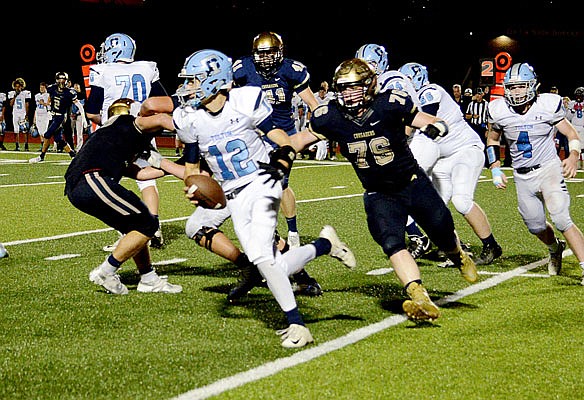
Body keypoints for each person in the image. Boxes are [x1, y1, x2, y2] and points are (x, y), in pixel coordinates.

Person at [144, 49, 356, 347]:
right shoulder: (189, 118)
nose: (188, 87)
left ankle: (297, 324)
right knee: (270, 264)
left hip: (262, 180)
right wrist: (194, 186)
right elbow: (193, 167)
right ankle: (323, 245)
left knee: (260, 257)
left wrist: (284, 154)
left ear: (214, 80)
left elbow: (277, 134)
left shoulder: (245, 101)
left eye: (194, 80)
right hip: (229, 189)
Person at [292, 58, 478, 321]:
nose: (348, 94)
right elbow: (300, 138)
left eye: (354, 87)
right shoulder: (330, 115)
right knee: (392, 243)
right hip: (378, 193)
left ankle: (458, 256)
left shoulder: (389, 103)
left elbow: (423, 118)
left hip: (412, 183)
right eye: (343, 88)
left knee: (442, 231)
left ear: (370, 86)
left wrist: (433, 125)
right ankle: (419, 296)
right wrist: (280, 151)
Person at [231, 31, 323, 294]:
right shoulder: (243, 69)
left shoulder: (292, 70)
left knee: (280, 184)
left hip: (281, 135)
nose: (266, 58)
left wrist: (321, 128)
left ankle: (291, 234)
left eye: (271, 52)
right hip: (252, 135)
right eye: (261, 53)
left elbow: (312, 103)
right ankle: (273, 242)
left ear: (280, 52)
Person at [65, 98, 183, 295]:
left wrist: (184, 164)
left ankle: (148, 278)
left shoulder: (116, 139)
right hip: (91, 179)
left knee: (135, 226)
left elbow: (142, 173)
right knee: (148, 223)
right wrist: (191, 125)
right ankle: (106, 271)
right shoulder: (128, 124)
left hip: (81, 187)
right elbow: (161, 118)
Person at [486, 62, 584, 284]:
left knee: (560, 216)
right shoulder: (499, 110)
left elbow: (571, 134)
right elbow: (492, 139)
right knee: (535, 226)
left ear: (532, 86)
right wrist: (494, 168)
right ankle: (554, 247)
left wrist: (573, 156)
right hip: (522, 175)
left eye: (520, 86)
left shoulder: (547, 105)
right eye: (511, 87)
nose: (516, 92)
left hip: (548, 169)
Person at [399, 62, 503, 265]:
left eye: (407, 82)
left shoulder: (431, 91)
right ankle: (456, 247)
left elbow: (422, 119)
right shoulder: (411, 101)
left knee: (462, 201)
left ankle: (491, 245)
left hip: (466, 150)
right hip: (443, 159)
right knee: (433, 206)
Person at [85, 32, 168, 249]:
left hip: (115, 133)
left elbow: (91, 111)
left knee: (109, 183)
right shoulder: (147, 67)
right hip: (144, 128)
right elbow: (162, 100)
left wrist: (106, 118)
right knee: (147, 180)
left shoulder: (103, 70)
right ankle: (154, 227)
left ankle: (129, 232)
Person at [355, 43, 432, 260]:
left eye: (368, 64)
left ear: (380, 64)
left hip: (418, 139)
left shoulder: (392, 80)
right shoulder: (376, 83)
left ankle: (424, 237)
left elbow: (406, 114)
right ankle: (424, 236)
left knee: (395, 190)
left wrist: (398, 141)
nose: (364, 69)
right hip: (405, 140)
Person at [28, 72, 81, 163]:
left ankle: (41, 156)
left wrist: (83, 119)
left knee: (47, 135)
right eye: (59, 79)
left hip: (60, 117)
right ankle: (73, 156)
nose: (61, 81)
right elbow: (49, 100)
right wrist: (49, 109)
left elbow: (78, 105)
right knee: (58, 139)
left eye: (63, 79)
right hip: (52, 115)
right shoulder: (52, 88)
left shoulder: (69, 92)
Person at [465, 87, 489, 165]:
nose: (478, 96)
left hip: (482, 127)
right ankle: (473, 161)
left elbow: (489, 118)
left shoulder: (486, 104)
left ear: (482, 95)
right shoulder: (471, 104)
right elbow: (466, 116)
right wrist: (472, 116)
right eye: (477, 94)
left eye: (480, 94)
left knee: (484, 145)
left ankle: (486, 162)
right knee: (473, 145)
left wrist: (488, 129)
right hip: (474, 127)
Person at [8, 77, 31, 151]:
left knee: (25, 129)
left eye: (19, 86)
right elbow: (11, 104)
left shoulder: (25, 93)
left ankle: (26, 145)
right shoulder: (12, 93)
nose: (17, 88)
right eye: (16, 86)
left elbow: (27, 105)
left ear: (22, 86)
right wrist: (15, 96)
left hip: (22, 113)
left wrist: (26, 115)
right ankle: (17, 145)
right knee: (16, 130)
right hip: (15, 113)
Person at [566, 87, 584, 168]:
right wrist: (572, 110)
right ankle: (575, 165)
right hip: (573, 127)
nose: (579, 98)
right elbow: (567, 118)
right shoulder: (572, 104)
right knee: (574, 146)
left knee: (583, 147)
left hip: (582, 127)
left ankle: (582, 165)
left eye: (580, 96)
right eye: (577, 96)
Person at [33, 82, 51, 151]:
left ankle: (47, 146)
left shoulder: (48, 95)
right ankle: (43, 146)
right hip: (38, 115)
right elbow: (36, 107)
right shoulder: (37, 96)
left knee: (45, 132)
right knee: (40, 131)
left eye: (43, 87)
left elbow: (50, 104)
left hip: (45, 115)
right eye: (40, 87)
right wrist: (34, 117)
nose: (41, 89)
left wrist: (43, 103)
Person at [70, 83, 87, 150]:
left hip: (79, 115)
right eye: (75, 87)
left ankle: (79, 147)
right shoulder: (71, 95)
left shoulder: (82, 95)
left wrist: (76, 113)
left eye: (77, 87)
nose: (76, 89)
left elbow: (82, 106)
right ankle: (71, 145)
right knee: (70, 132)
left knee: (79, 132)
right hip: (71, 115)